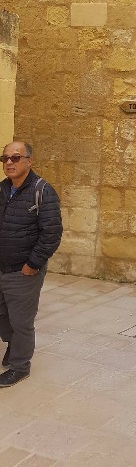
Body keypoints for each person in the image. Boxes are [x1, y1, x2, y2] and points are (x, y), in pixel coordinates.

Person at [0, 141, 63, 387]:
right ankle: (13, 345)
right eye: (5, 158)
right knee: (3, 316)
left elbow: (52, 234)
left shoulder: (43, 191)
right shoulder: (2, 189)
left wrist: (33, 263)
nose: (9, 163)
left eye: (15, 158)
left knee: (21, 321)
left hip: (23, 271)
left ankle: (20, 366)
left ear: (29, 161)